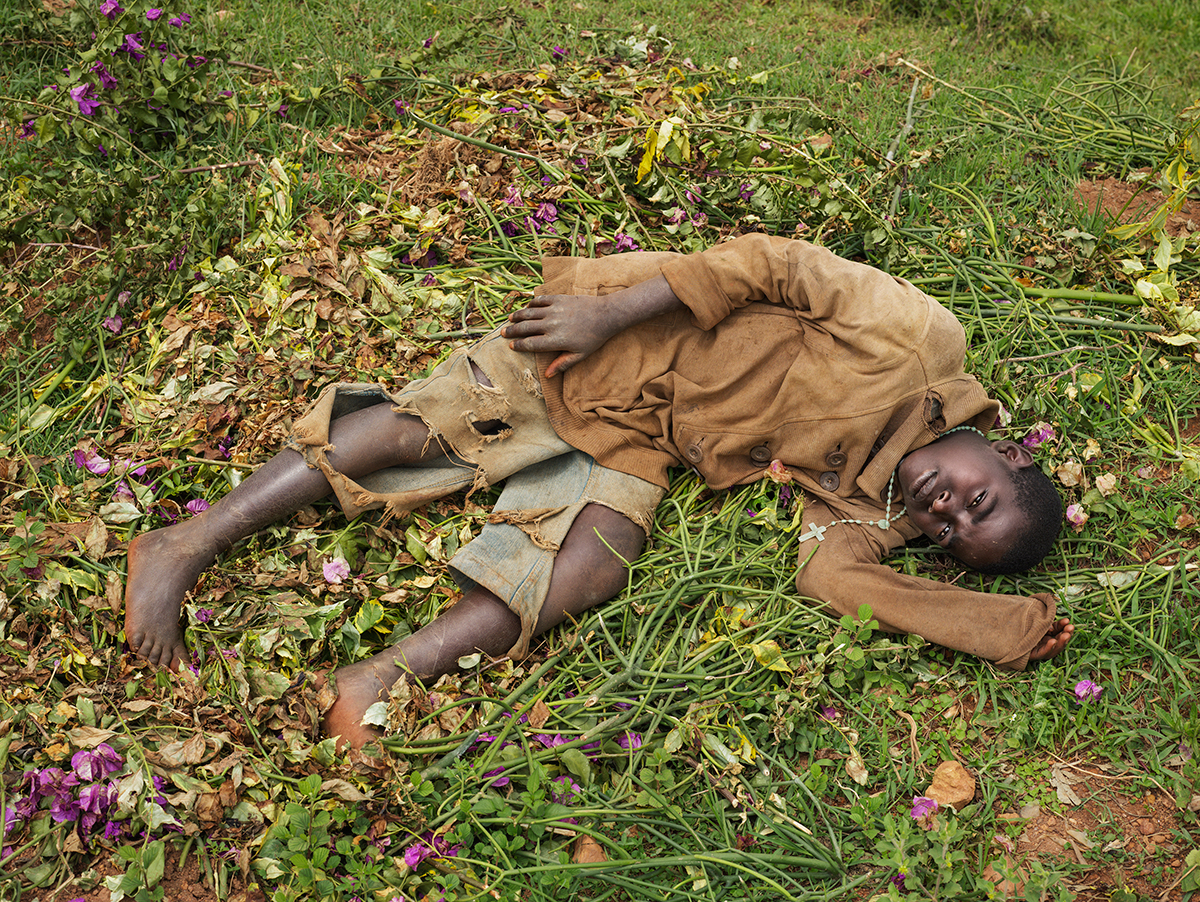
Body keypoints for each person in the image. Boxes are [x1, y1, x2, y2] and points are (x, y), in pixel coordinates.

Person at [123, 234, 1073, 750]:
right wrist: (611, 307)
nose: (943, 514)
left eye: (951, 535)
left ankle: (376, 679)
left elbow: (835, 577)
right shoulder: (922, 344)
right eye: (974, 502)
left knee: (587, 571)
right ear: (1003, 453)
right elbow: (778, 264)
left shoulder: (875, 501)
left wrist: (996, 625)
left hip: (652, 438)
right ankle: (185, 543)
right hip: (628, 342)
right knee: (434, 426)